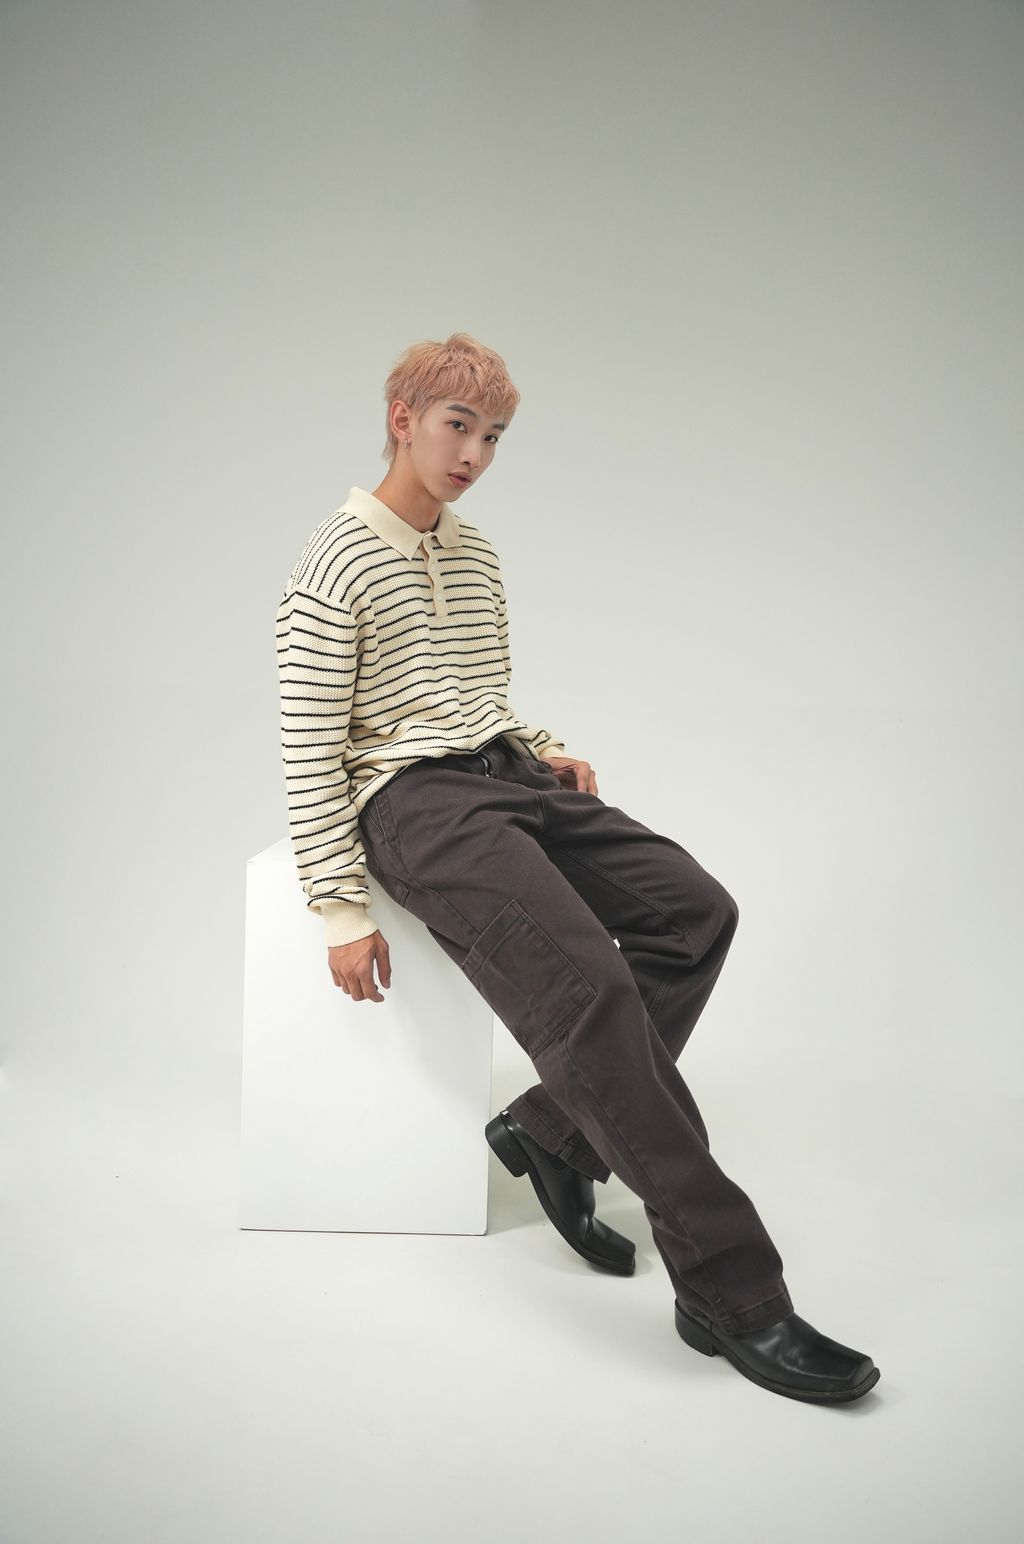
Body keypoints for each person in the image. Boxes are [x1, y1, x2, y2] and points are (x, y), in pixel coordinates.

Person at [275, 331, 880, 1405]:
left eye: (495, 436)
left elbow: (479, 693)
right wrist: (338, 907)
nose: (474, 454)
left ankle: (550, 1130)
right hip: (413, 807)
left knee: (695, 913)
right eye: (457, 426)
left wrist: (542, 746)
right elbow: (310, 745)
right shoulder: (334, 562)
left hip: (503, 772)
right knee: (589, 989)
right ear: (402, 417)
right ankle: (735, 1295)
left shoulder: (475, 554)